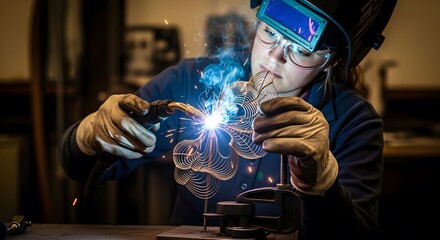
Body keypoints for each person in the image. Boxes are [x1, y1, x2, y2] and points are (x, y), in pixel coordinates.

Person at [58, 0, 397, 239]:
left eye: (302, 50)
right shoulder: (190, 82)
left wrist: (322, 187)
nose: (275, 57)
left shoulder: (353, 122)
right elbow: (80, 168)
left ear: (331, 62)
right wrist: (88, 137)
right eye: (270, 33)